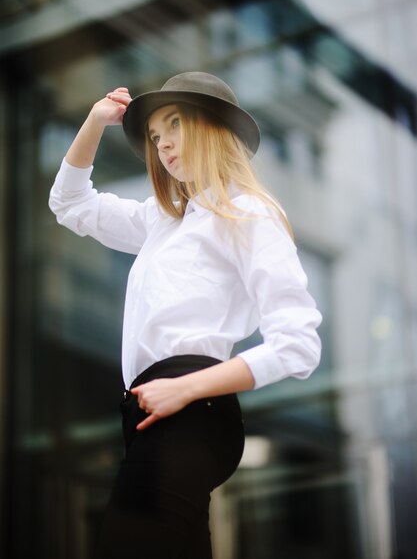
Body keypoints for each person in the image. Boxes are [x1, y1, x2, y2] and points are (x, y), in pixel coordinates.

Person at [49, 71, 322, 558]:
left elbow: (299, 343)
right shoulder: (162, 221)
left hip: (193, 408)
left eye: (174, 125)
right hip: (148, 413)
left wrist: (186, 388)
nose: (164, 145)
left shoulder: (248, 212)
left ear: (213, 127)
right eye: (155, 136)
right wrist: (94, 121)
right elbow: (70, 203)